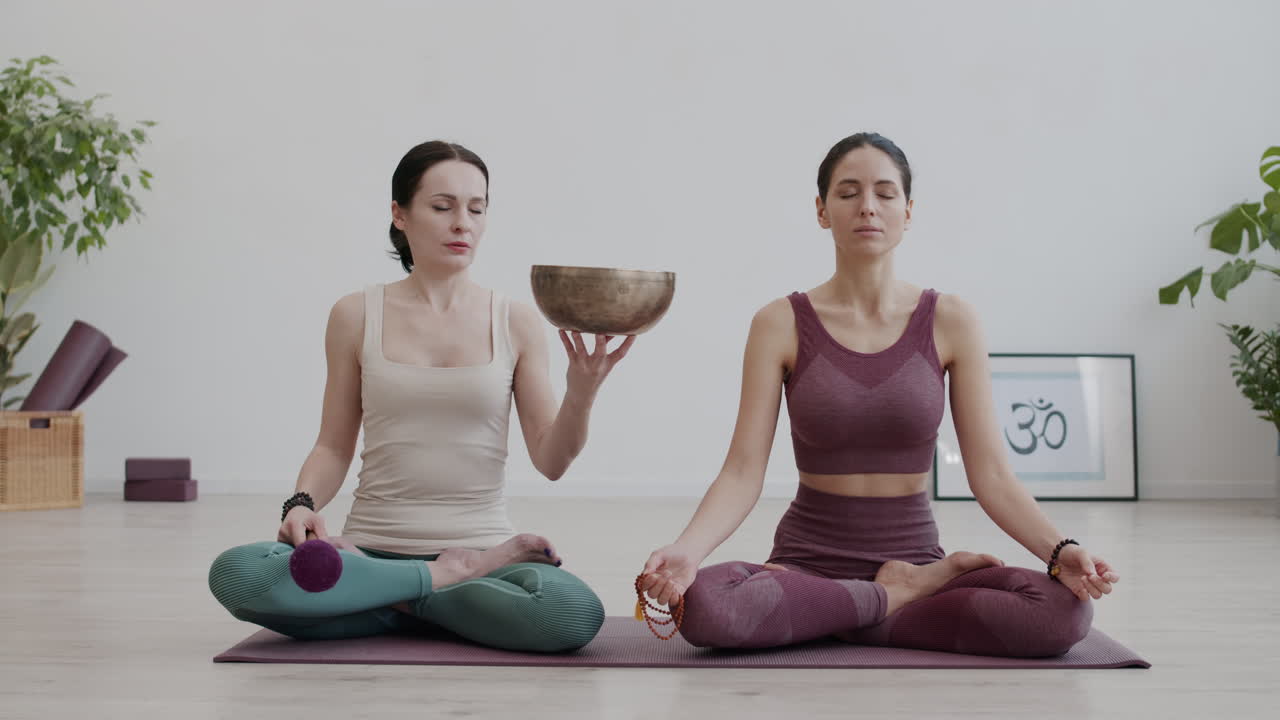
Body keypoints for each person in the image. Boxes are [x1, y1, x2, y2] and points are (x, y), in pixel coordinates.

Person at [638, 132, 1119, 657]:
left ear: (908, 211)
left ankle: (838, 612)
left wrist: (1060, 551)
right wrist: (688, 551)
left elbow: (992, 475)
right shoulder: (778, 323)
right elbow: (741, 471)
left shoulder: (952, 321)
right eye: (848, 193)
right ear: (822, 210)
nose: (868, 207)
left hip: (917, 556)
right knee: (706, 603)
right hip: (805, 564)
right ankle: (893, 599)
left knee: (1062, 614)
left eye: (885, 193)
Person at [209, 141, 634, 652]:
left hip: (482, 556)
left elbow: (552, 459)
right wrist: (299, 505)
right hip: (366, 552)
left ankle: (389, 602)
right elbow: (333, 445)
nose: (463, 224)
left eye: (477, 209)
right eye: (442, 206)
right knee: (237, 573)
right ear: (399, 215)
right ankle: (437, 588)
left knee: (571, 614)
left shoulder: (515, 321)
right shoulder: (355, 314)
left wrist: (582, 392)